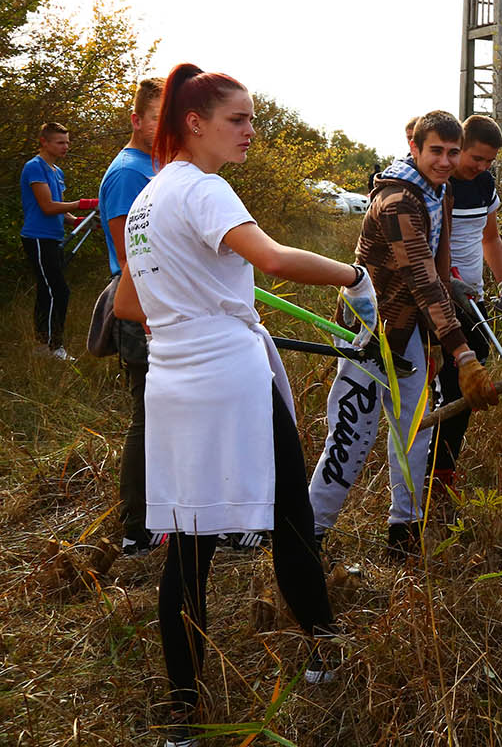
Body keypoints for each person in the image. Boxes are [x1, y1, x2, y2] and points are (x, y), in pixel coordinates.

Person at [112, 63, 371, 747]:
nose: (251, 131)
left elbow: (127, 304)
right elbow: (277, 260)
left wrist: (197, 306)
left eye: (252, 118)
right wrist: (356, 275)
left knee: (187, 553)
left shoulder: (147, 200)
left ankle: (180, 720)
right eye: (239, 119)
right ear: (194, 124)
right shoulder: (204, 189)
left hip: (173, 385)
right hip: (230, 383)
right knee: (290, 517)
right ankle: (324, 650)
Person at [308, 110, 500, 558]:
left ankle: (405, 534)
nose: (446, 160)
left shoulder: (440, 190)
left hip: (410, 328)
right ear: (415, 148)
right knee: (352, 434)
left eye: (453, 152)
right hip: (369, 332)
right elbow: (420, 278)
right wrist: (463, 354)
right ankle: (308, 533)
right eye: (436, 151)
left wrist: (451, 300)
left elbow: (439, 264)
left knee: (414, 430)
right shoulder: (397, 202)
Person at [433, 114, 502, 497]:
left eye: (489, 161)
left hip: (474, 302)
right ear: (459, 147)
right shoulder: (437, 181)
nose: (482, 167)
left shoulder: (485, 183)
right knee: (442, 388)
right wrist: (443, 281)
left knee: (465, 392)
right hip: (437, 301)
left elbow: (491, 238)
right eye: (476, 159)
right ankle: (422, 473)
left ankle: (444, 471)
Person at [99, 77, 164, 556]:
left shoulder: (157, 163)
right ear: (136, 120)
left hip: (163, 305)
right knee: (148, 417)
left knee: (168, 415)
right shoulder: (128, 172)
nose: (164, 130)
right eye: (156, 120)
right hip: (141, 310)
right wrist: (148, 318)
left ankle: (165, 514)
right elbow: (129, 258)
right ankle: (135, 528)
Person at [21, 121, 94, 358]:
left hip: (53, 238)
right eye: (60, 142)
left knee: (47, 291)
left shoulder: (57, 172)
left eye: (67, 142)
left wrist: (79, 220)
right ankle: (54, 347)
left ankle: (42, 346)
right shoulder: (35, 167)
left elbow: (61, 211)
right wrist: (84, 203)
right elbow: (47, 206)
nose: (66, 146)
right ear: (44, 142)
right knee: (58, 291)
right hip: (38, 238)